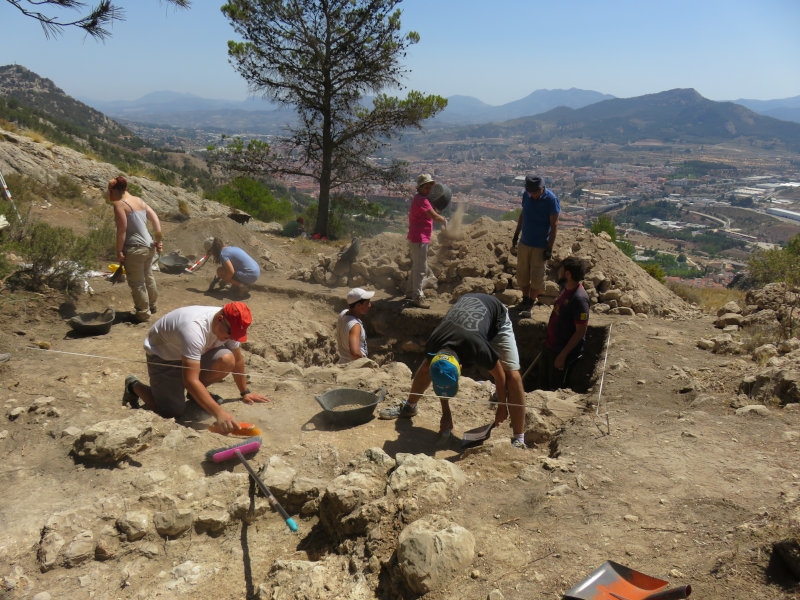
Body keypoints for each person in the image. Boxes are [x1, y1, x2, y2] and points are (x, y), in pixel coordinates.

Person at [379, 293, 528, 449]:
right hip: (465, 313)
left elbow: (500, 376)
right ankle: (410, 406)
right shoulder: (434, 345)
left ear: (461, 368)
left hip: (496, 316)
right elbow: (440, 377)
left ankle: (519, 438)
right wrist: (446, 412)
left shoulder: (478, 347)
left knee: (513, 375)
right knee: (425, 368)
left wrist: (502, 407)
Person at [122, 302, 270, 433]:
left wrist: (245, 392)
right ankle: (133, 385)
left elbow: (237, 360)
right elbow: (190, 381)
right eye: (231, 334)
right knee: (171, 412)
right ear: (220, 319)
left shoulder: (229, 324)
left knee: (227, 359)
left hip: (194, 355)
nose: (232, 338)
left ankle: (196, 396)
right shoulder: (194, 329)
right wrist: (219, 413)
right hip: (164, 356)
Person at [108, 175, 163, 322]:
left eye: (110, 190)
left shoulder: (120, 204)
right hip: (149, 246)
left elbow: (122, 229)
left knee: (137, 282)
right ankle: (153, 306)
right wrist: (158, 241)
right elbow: (155, 219)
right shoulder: (139, 200)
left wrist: (119, 250)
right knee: (148, 276)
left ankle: (143, 313)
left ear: (114, 190)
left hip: (135, 249)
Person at [538, 256, 590, 391]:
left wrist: (563, 355)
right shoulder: (565, 288)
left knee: (556, 388)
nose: (558, 272)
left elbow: (580, 331)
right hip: (551, 347)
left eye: (561, 269)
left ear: (568, 274)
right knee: (544, 385)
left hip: (563, 353)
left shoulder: (579, 299)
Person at [511, 175, 560, 315]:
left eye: (534, 192)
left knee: (537, 275)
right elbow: (523, 214)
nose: (532, 195)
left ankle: (531, 302)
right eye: (530, 192)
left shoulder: (551, 200)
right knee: (522, 274)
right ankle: (525, 299)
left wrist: (549, 248)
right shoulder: (526, 196)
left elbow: (554, 224)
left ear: (541, 188)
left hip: (540, 244)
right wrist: (516, 235)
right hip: (525, 242)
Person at [407, 173, 447, 309]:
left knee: (417, 266)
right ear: (420, 187)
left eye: (430, 187)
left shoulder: (420, 198)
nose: (429, 189)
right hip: (420, 238)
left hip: (416, 237)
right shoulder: (422, 200)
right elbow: (434, 216)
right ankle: (417, 296)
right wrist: (445, 221)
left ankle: (410, 291)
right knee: (420, 268)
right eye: (426, 187)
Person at [336, 287, 375, 363]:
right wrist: (367, 362)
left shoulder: (343, 313)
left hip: (342, 362)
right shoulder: (355, 326)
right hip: (353, 366)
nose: (369, 305)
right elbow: (355, 353)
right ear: (358, 306)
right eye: (367, 303)